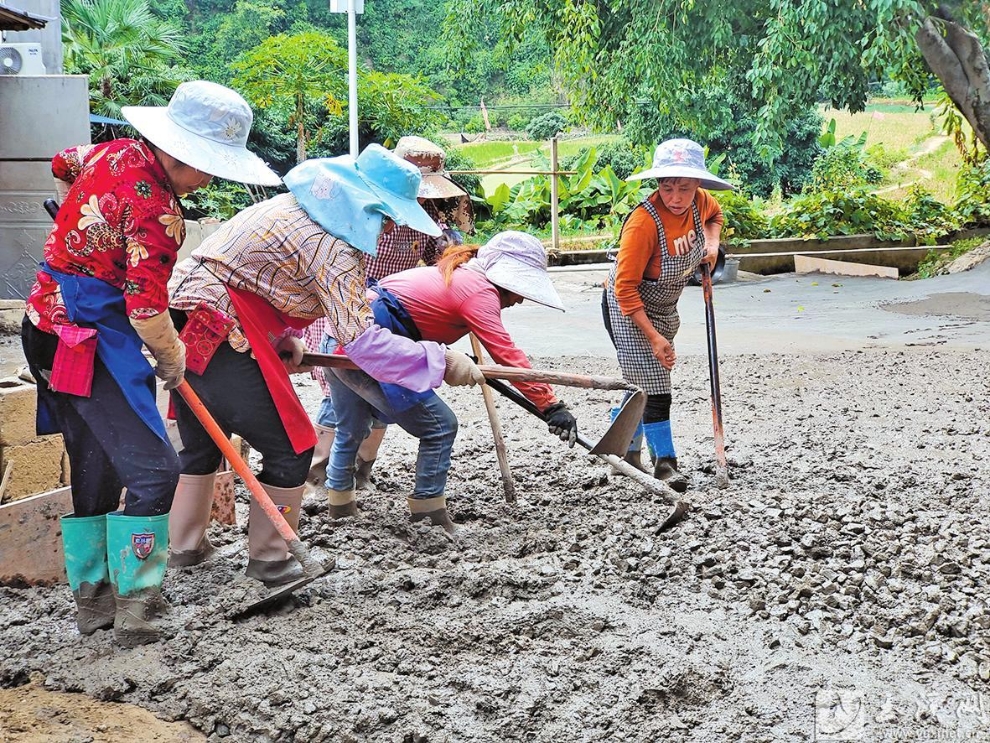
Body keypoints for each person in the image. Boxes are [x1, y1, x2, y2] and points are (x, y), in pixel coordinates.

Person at [21, 81, 280, 647]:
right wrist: (173, 358)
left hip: (42, 323)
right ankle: (138, 607)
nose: (210, 179)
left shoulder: (110, 151)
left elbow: (62, 162)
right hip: (89, 343)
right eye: (207, 168)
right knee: (156, 472)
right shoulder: (160, 214)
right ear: (179, 154)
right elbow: (146, 307)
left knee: (98, 465)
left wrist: (84, 220)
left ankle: (93, 604)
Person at [165, 144, 485, 585]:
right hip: (223, 325)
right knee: (291, 447)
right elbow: (362, 342)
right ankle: (271, 562)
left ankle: (186, 548)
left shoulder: (290, 208)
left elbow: (253, 274)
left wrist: (282, 336)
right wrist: (439, 358)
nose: (390, 225)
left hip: (191, 315)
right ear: (365, 203)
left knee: (202, 442)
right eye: (388, 215)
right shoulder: (332, 244)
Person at [324, 231, 580, 534]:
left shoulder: (461, 273)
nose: (521, 298)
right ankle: (429, 515)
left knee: (351, 426)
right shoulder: (479, 292)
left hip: (339, 335)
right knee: (439, 426)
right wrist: (550, 404)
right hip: (377, 343)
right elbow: (508, 356)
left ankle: (339, 504)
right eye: (519, 289)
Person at [307, 136, 472, 491]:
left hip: (392, 315)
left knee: (380, 392)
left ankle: (360, 471)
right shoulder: (368, 211)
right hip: (347, 305)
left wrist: (455, 258)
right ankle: (320, 474)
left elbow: (438, 264)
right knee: (338, 393)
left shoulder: (426, 218)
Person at [602, 138, 731, 491]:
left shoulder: (700, 203)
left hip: (664, 306)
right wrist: (654, 338)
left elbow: (716, 216)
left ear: (697, 186)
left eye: (684, 188)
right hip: (628, 308)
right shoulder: (643, 224)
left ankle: (622, 454)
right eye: (667, 186)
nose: (675, 197)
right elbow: (625, 289)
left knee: (640, 383)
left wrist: (712, 243)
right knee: (657, 387)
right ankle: (666, 465)